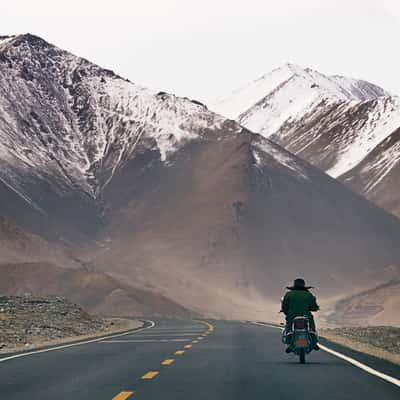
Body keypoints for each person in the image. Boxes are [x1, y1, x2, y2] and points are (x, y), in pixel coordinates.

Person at [281, 278, 319, 352]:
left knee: (289, 328)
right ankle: (313, 342)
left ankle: (290, 342)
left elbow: (284, 307)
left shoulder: (288, 294)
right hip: (306, 316)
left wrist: (286, 312)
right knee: (311, 327)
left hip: (292, 316)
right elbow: (314, 307)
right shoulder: (308, 295)